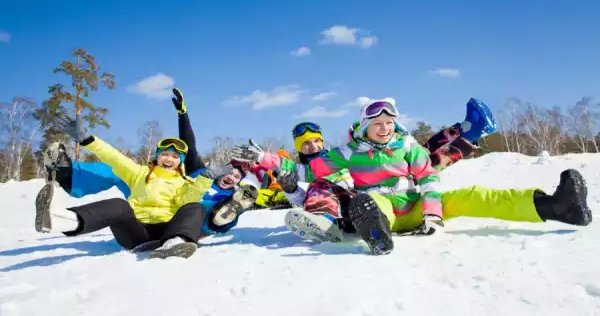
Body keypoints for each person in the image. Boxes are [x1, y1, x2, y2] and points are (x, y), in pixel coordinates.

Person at [231, 98, 592, 255]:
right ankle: (375, 233)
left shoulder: (410, 147)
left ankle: (556, 206)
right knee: (368, 201)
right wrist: (266, 159)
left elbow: (429, 177)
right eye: (377, 124)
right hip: (381, 207)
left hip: (416, 206)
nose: (384, 129)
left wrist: (433, 212)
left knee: (474, 195)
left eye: (389, 123)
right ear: (364, 126)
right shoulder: (347, 153)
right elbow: (307, 171)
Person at [37, 88, 258, 246]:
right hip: (146, 201)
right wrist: (87, 140)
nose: (231, 176)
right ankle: (67, 176)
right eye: (229, 171)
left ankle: (220, 218)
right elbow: (117, 157)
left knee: (199, 208)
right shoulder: (197, 171)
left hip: (181, 216)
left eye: (237, 176)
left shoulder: (203, 183)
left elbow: (191, 199)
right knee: (117, 172)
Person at [35, 113, 224, 259]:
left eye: (175, 157)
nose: (169, 159)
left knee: (195, 207)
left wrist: (205, 180)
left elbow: (186, 203)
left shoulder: (185, 182)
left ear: (180, 161)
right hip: (136, 233)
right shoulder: (139, 173)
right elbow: (115, 158)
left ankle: (175, 245)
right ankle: (60, 218)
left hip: (168, 232)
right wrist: (87, 140)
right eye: (165, 154)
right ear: (157, 155)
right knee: (118, 205)